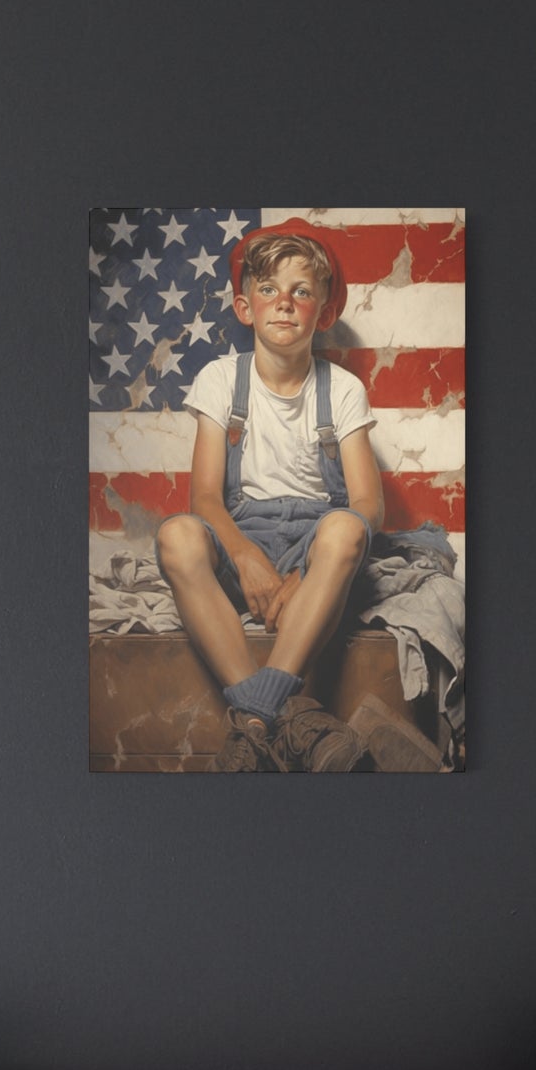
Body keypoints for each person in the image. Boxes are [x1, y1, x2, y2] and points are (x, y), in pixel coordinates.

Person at [155, 221, 383, 771]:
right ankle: (295, 718)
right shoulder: (220, 379)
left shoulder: (342, 389)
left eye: (302, 292)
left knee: (347, 526)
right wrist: (245, 557)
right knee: (176, 535)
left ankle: (253, 723)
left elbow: (369, 504)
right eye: (269, 290)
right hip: (241, 535)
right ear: (244, 306)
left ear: (323, 312)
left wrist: (307, 573)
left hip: (316, 540)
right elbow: (205, 498)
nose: (284, 304)